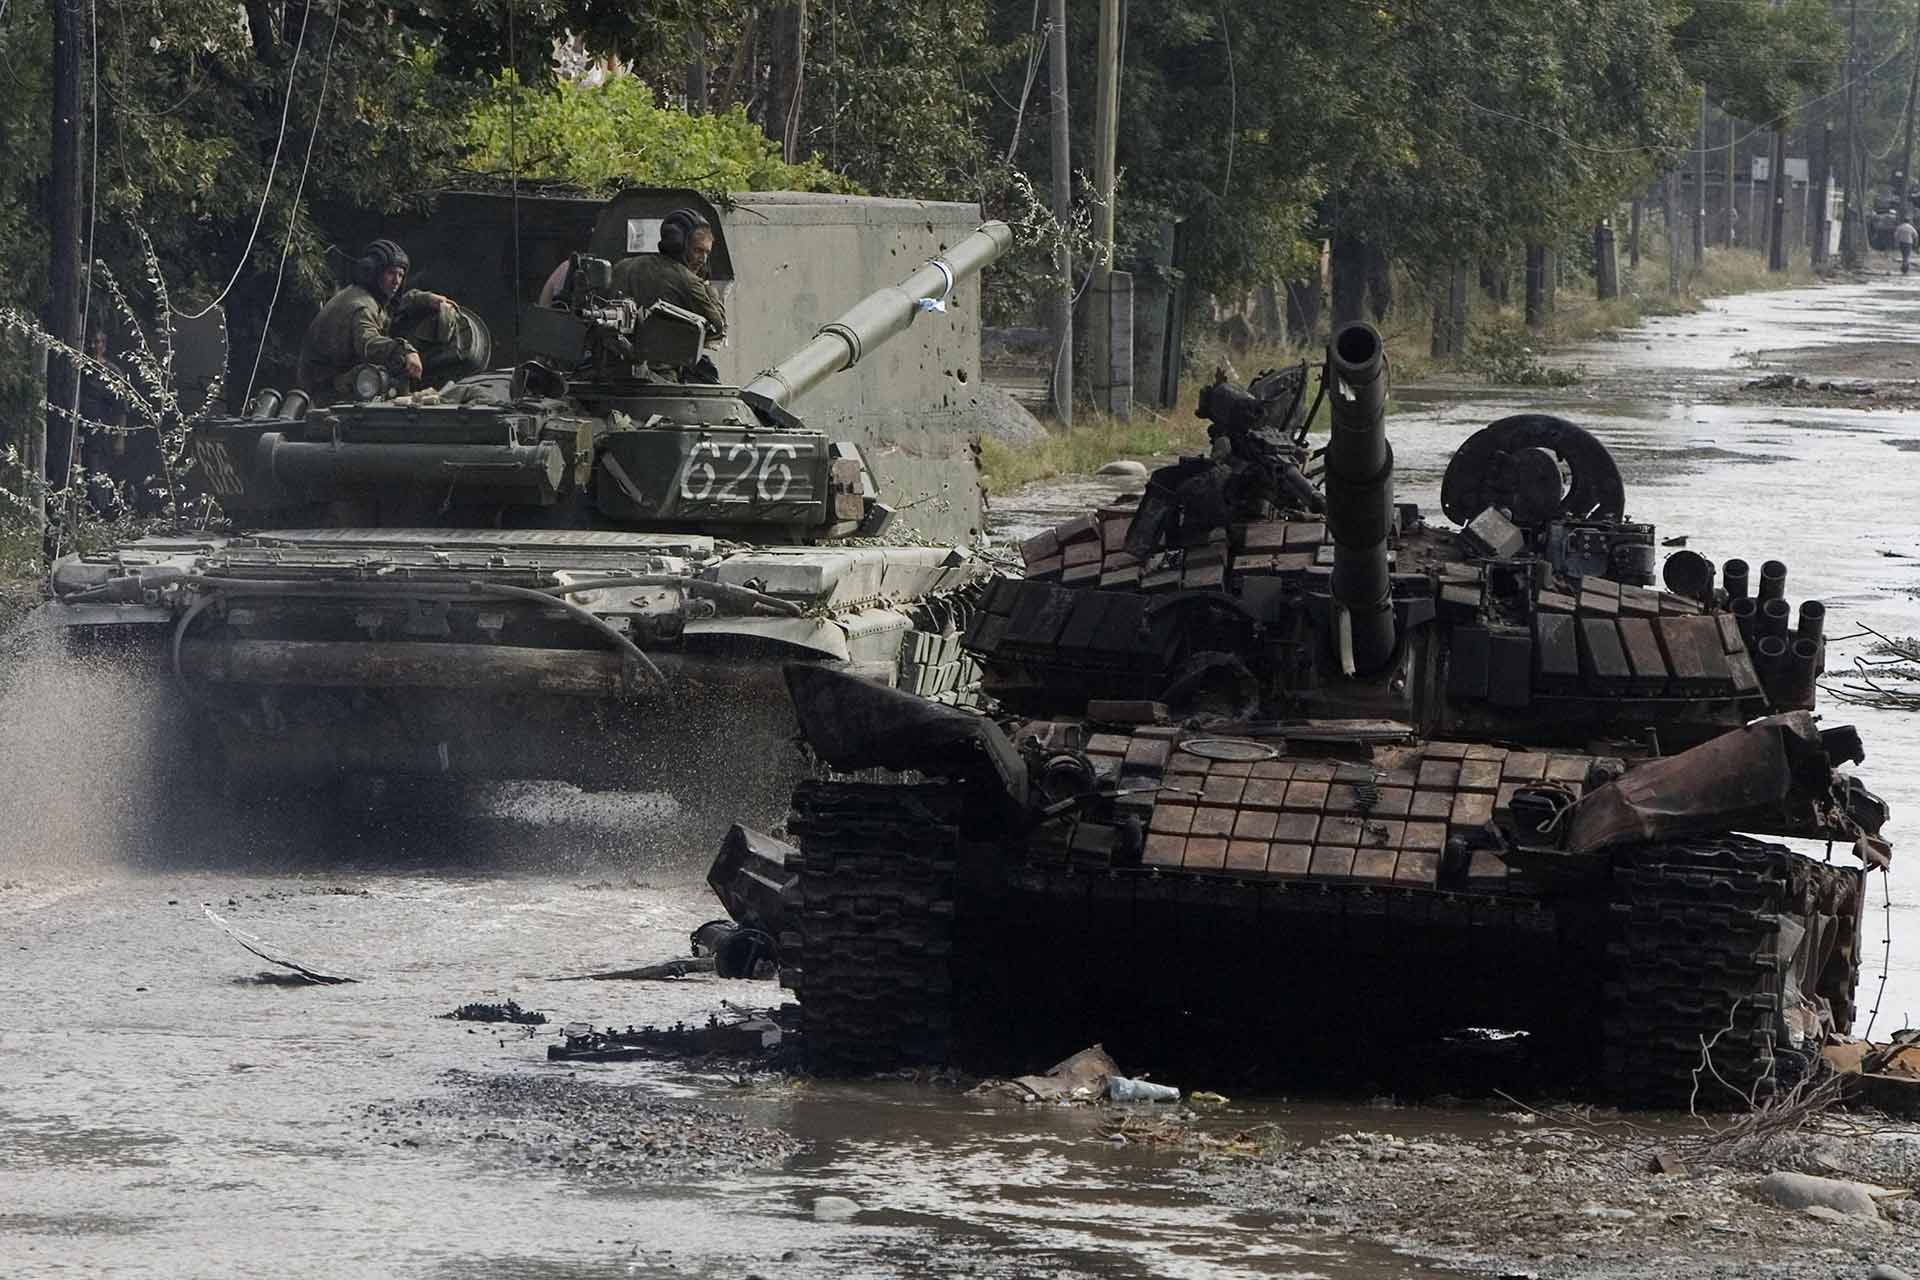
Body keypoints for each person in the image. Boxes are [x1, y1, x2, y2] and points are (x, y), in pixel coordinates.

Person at [297, 239, 459, 399]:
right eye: (391, 273)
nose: (396, 281)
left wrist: (426, 299)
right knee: (392, 372)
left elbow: (390, 308)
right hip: (324, 385)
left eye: (400, 275)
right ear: (373, 272)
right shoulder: (362, 306)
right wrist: (405, 350)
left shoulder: (363, 293)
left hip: (331, 373)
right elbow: (369, 344)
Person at [611, 210, 727, 380]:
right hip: (659, 376)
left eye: (706, 253)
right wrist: (711, 291)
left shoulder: (623, 266)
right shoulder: (688, 280)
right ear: (679, 245)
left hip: (613, 369)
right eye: (698, 250)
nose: (703, 259)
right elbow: (718, 328)